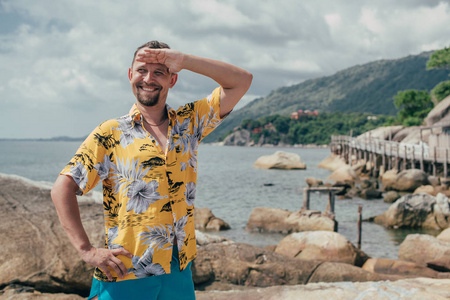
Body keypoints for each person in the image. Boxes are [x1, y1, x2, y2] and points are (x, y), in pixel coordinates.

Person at [51, 40, 252, 300]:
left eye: (159, 72)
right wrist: (86, 250)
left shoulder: (190, 123)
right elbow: (62, 188)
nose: (149, 79)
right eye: (142, 70)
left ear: (173, 80)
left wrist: (185, 59)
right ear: (130, 75)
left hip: (178, 270)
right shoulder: (110, 133)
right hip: (127, 270)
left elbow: (241, 81)